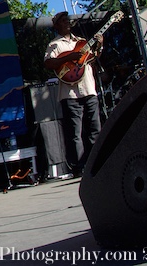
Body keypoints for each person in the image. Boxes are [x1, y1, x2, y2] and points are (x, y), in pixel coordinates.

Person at [43, 11, 103, 177]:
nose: (67, 22)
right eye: (63, 20)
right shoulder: (54, 44)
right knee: (75, 134)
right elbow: (49, 63)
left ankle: (96, 163)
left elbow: (93, 57)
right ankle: (79, 168)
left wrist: (100, 45)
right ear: (57, 26)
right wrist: (70, 56)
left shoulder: (82, 42)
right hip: (69, 93)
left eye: (67, 20)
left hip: (88, 89)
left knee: (94, 129)